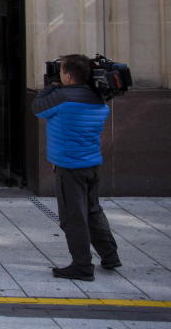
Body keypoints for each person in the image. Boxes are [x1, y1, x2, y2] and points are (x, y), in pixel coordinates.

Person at [32, 54, 120, 281]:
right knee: (93, 210)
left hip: (69, 166)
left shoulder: (62, 98)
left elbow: (37, 107)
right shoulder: (98, 98)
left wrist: (50, 87)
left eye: (61, 73)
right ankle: (110, 255)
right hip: (91, 163)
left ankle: (81, 265)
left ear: (69, 76)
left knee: (73, 217)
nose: (58, 76)